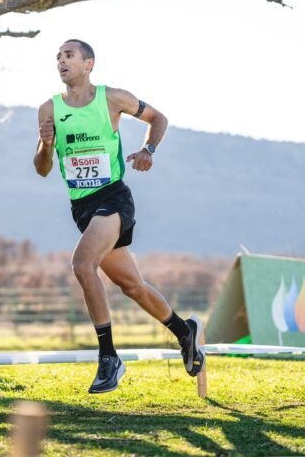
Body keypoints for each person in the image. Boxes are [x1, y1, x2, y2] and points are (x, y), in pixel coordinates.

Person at [33, 39, 204, 393]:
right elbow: (42, 168)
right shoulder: (49, 109)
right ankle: (184, 331)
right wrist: (46, 145)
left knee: (83, 265)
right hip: (82, 208)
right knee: (132, 286)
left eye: (69, 55)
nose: (61, 61)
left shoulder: (112, 98)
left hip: (113, 198)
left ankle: (109, 357)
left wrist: (148, 149)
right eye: (58, 57)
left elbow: (158, 118)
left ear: (88, 64)